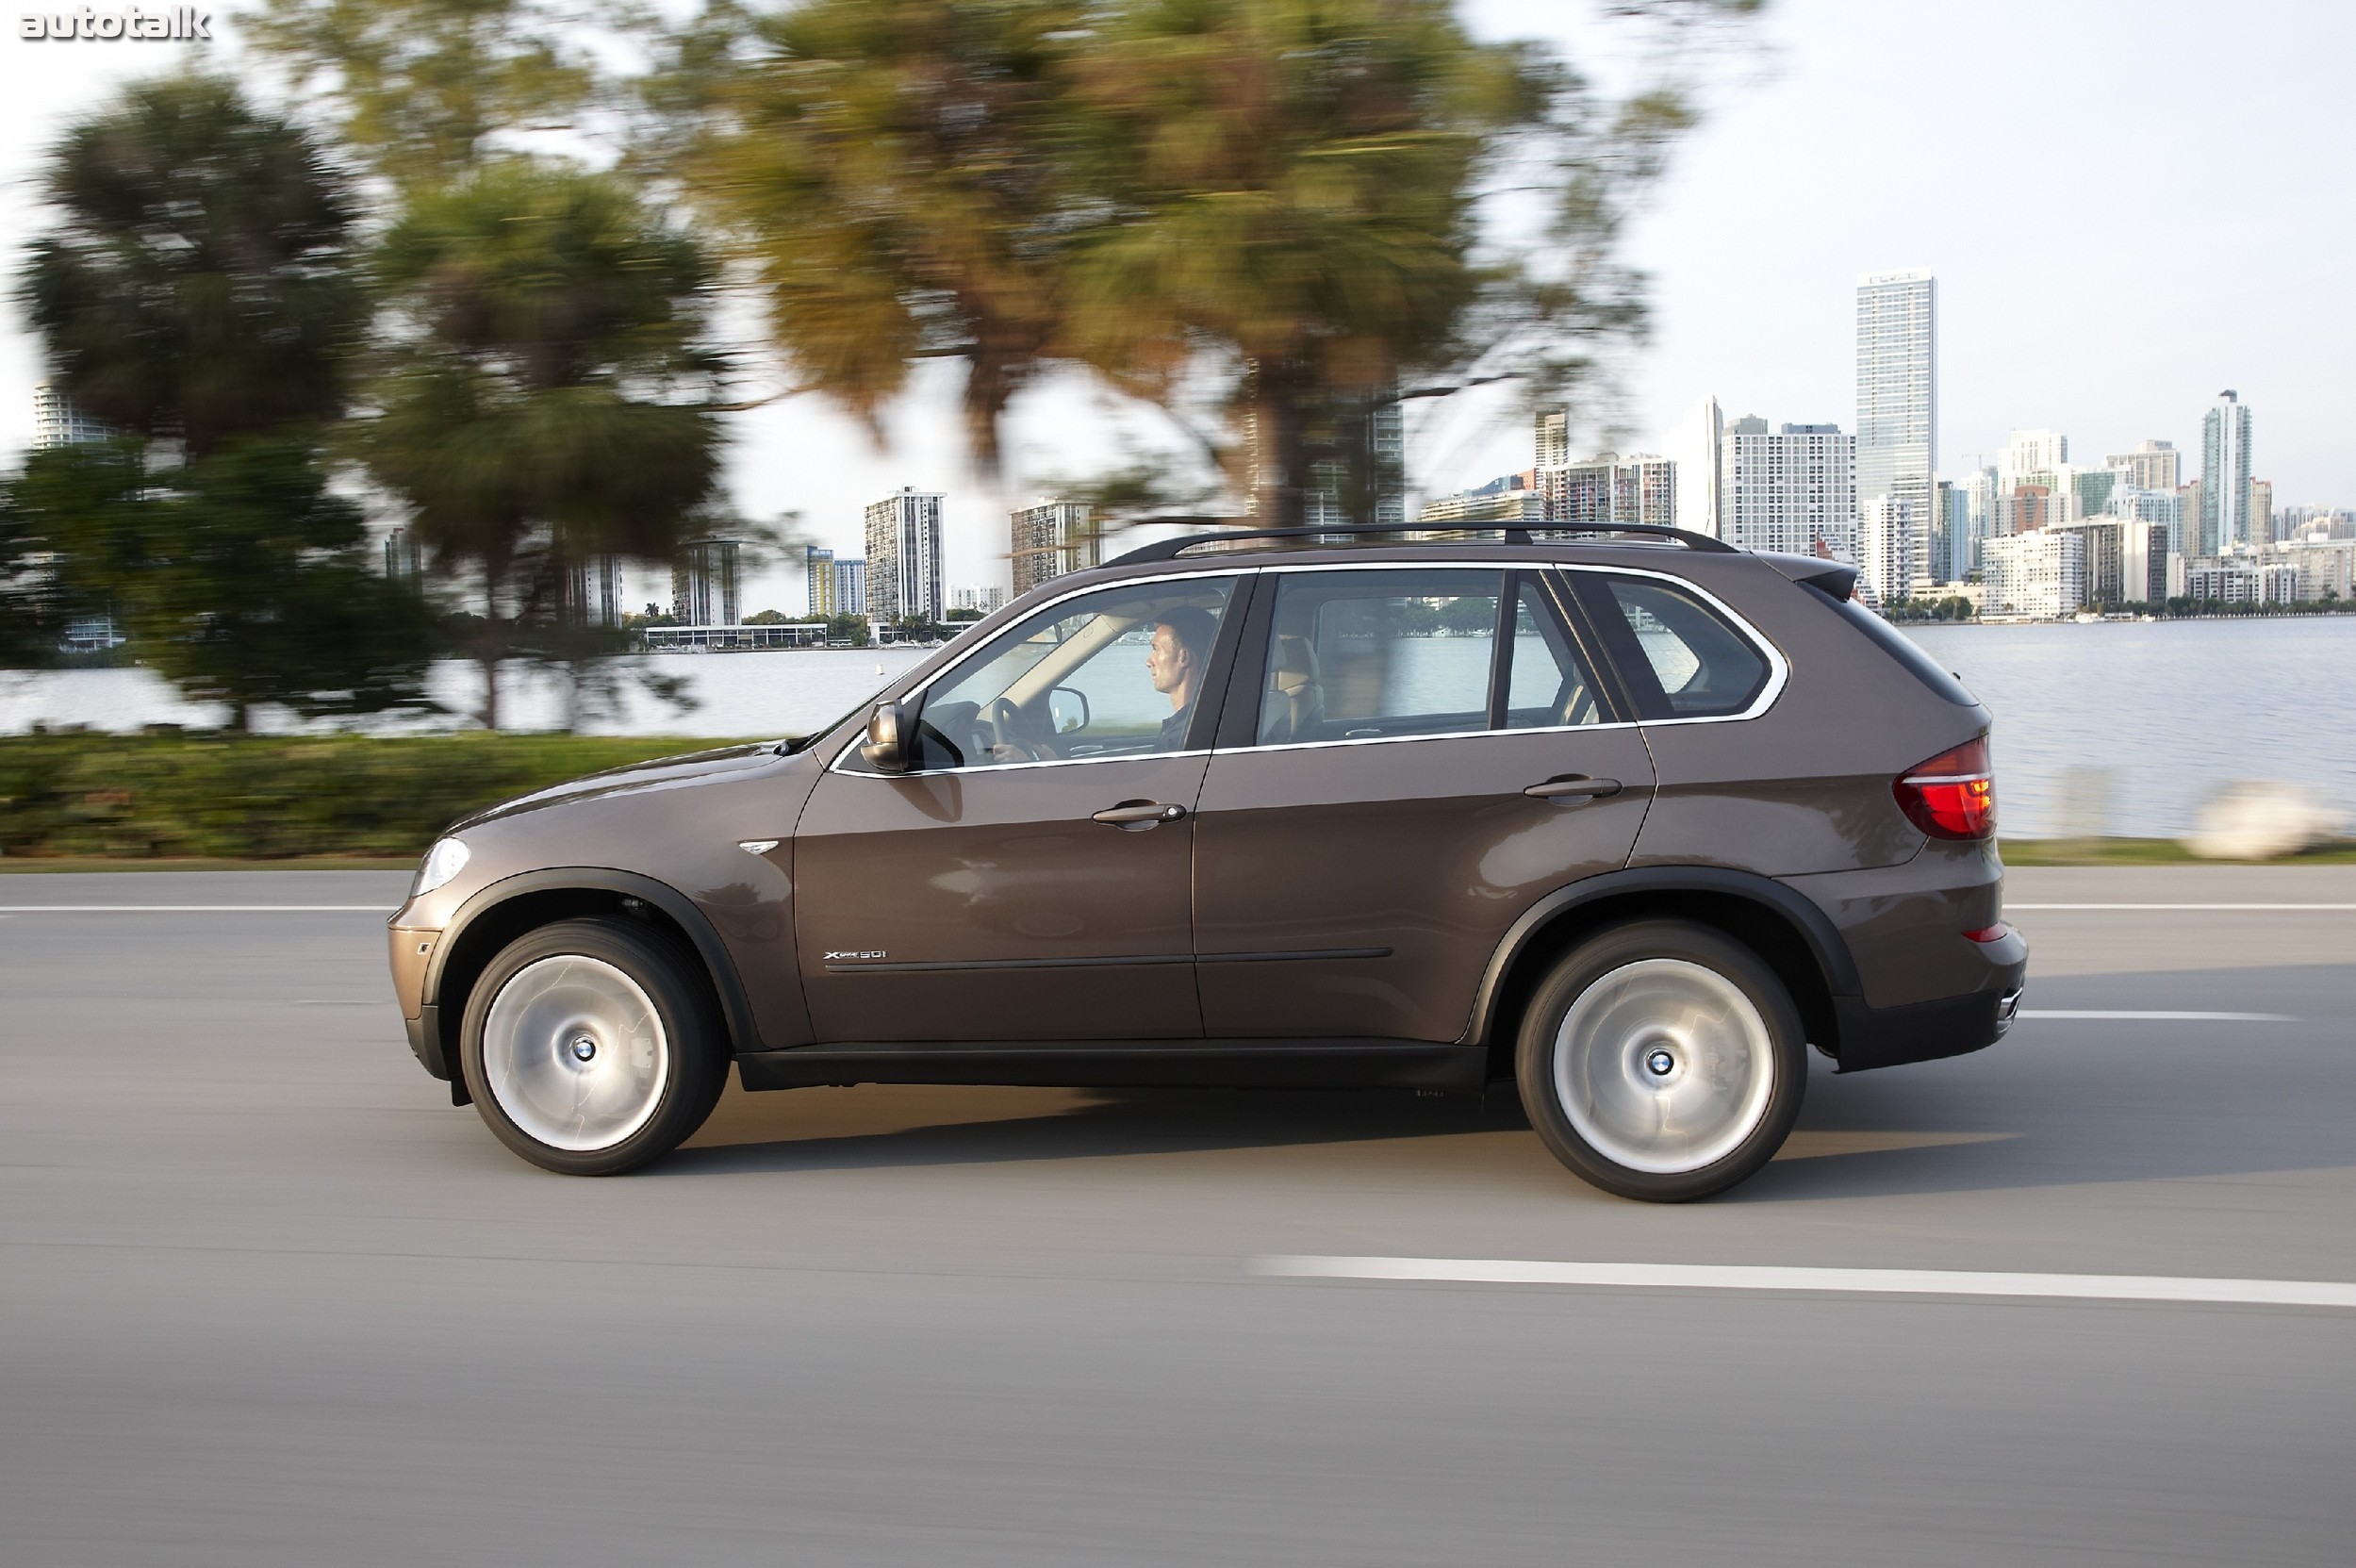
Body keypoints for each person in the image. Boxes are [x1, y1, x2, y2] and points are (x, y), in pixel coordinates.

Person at [1147, 606, 1219, 750]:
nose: (1149, 662)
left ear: (1184, 657)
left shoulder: (1181, 738)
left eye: (1156, 649)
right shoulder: (1210, 718)